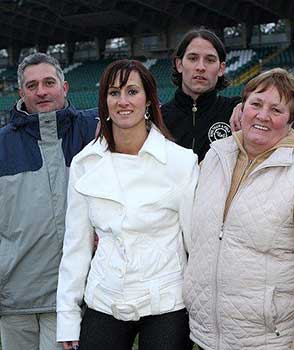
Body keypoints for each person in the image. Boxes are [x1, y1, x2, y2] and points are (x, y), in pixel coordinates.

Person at [183, 68, 294, 350]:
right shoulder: (213, 158)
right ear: (242, 108)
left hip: (269, 341)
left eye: (276, 110)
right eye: (256, 104)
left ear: (291, 121)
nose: (262, 116)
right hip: (207, 337)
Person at [56, 59, 199, 350]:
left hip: (167, 301)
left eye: (132, 91)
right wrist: (68, 318)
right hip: (106, 297)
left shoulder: (182, 162)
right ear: (104, 102)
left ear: (149, 100)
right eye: (114, 92)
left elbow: (195, 243)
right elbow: (75, 247)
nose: (123, 101)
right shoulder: (85, 164)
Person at [0, 53, 98, 350]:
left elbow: (153, 111)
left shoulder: (93, 130)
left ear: (64, 87)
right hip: (14, 296)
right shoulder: (2, 145)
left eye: (48, 82)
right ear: (21, 93)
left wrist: (240, 107)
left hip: (69, 297)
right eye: (32, 85)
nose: (41, 91)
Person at [161, 28, 240, 161]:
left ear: (221, 68)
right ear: (179, 64)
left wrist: (246, 107)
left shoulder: (235, 111)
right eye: (193, 58)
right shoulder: (159, 118)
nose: (201, 67)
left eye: (210, 60)